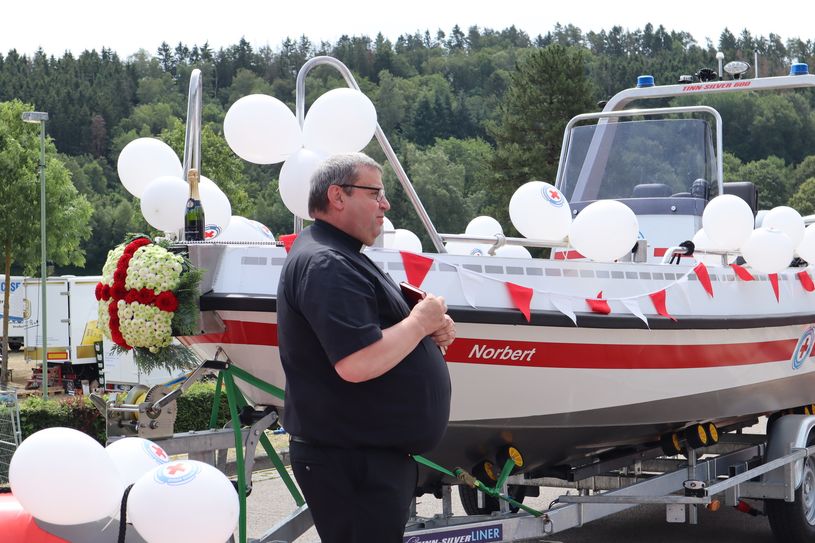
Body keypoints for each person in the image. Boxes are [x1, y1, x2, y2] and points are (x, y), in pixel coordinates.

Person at [277, 152, 454, 543]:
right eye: (375, 193)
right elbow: (356, 361)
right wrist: (418, 324)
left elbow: (378, 331)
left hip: (360, 459)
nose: (385, 205)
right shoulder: (328, 263)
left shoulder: (341, 255)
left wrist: (425, 326)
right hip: (351, 461)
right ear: (337, 196)